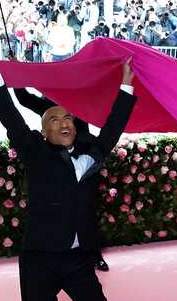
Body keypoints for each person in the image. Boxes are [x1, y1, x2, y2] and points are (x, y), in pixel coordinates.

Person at [0, 41, 137, 301]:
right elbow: (9, 114)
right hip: (39, 261)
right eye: (54, 119)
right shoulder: (33, 151)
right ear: (43, 133)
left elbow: (113, 128)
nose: (64, 122)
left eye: (68, 118)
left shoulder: (87, 159)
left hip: (78, 262)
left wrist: (126, 84)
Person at [7, 55, 111, 272]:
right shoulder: (48, 105)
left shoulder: (80, 97)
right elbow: (24, 99)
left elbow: (104, 100)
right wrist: (17, 72)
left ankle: (94, 254)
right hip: (56, 164)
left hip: (85, 162)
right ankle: (61, 250)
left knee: (87, 208)